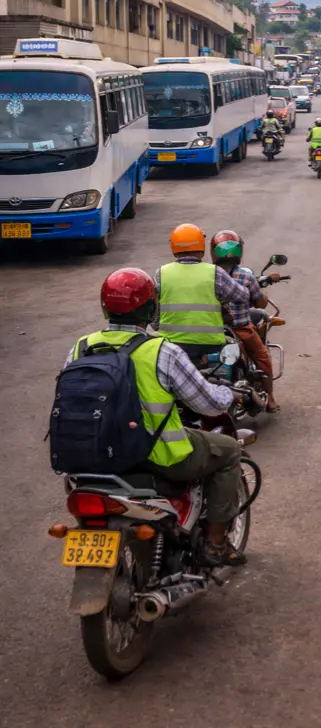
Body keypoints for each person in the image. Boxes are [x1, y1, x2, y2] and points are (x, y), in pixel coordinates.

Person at [66, 268, 247, 567]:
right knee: (228, 451)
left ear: (105, 307)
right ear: (152, 308)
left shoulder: (80, 347)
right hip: (156, 456)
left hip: (90, 457)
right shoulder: (161, 351)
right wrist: (233, 394)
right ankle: (215, 544)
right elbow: (210, 404)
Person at [155, 224, 251, 364]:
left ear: (174, 246)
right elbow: (242, 296)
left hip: (170, 344)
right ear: (201, 246)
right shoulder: (214, 272)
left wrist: (159, 327)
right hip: (210, 344)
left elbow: (154, 312)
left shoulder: (161, 273)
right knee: (240, 359)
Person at [210, 230, 280, 413]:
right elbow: (259, 302)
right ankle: (271, 398)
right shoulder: (245, 276)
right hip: (240, 329)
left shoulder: (207, 274)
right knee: (262, 358)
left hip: (213, 329)